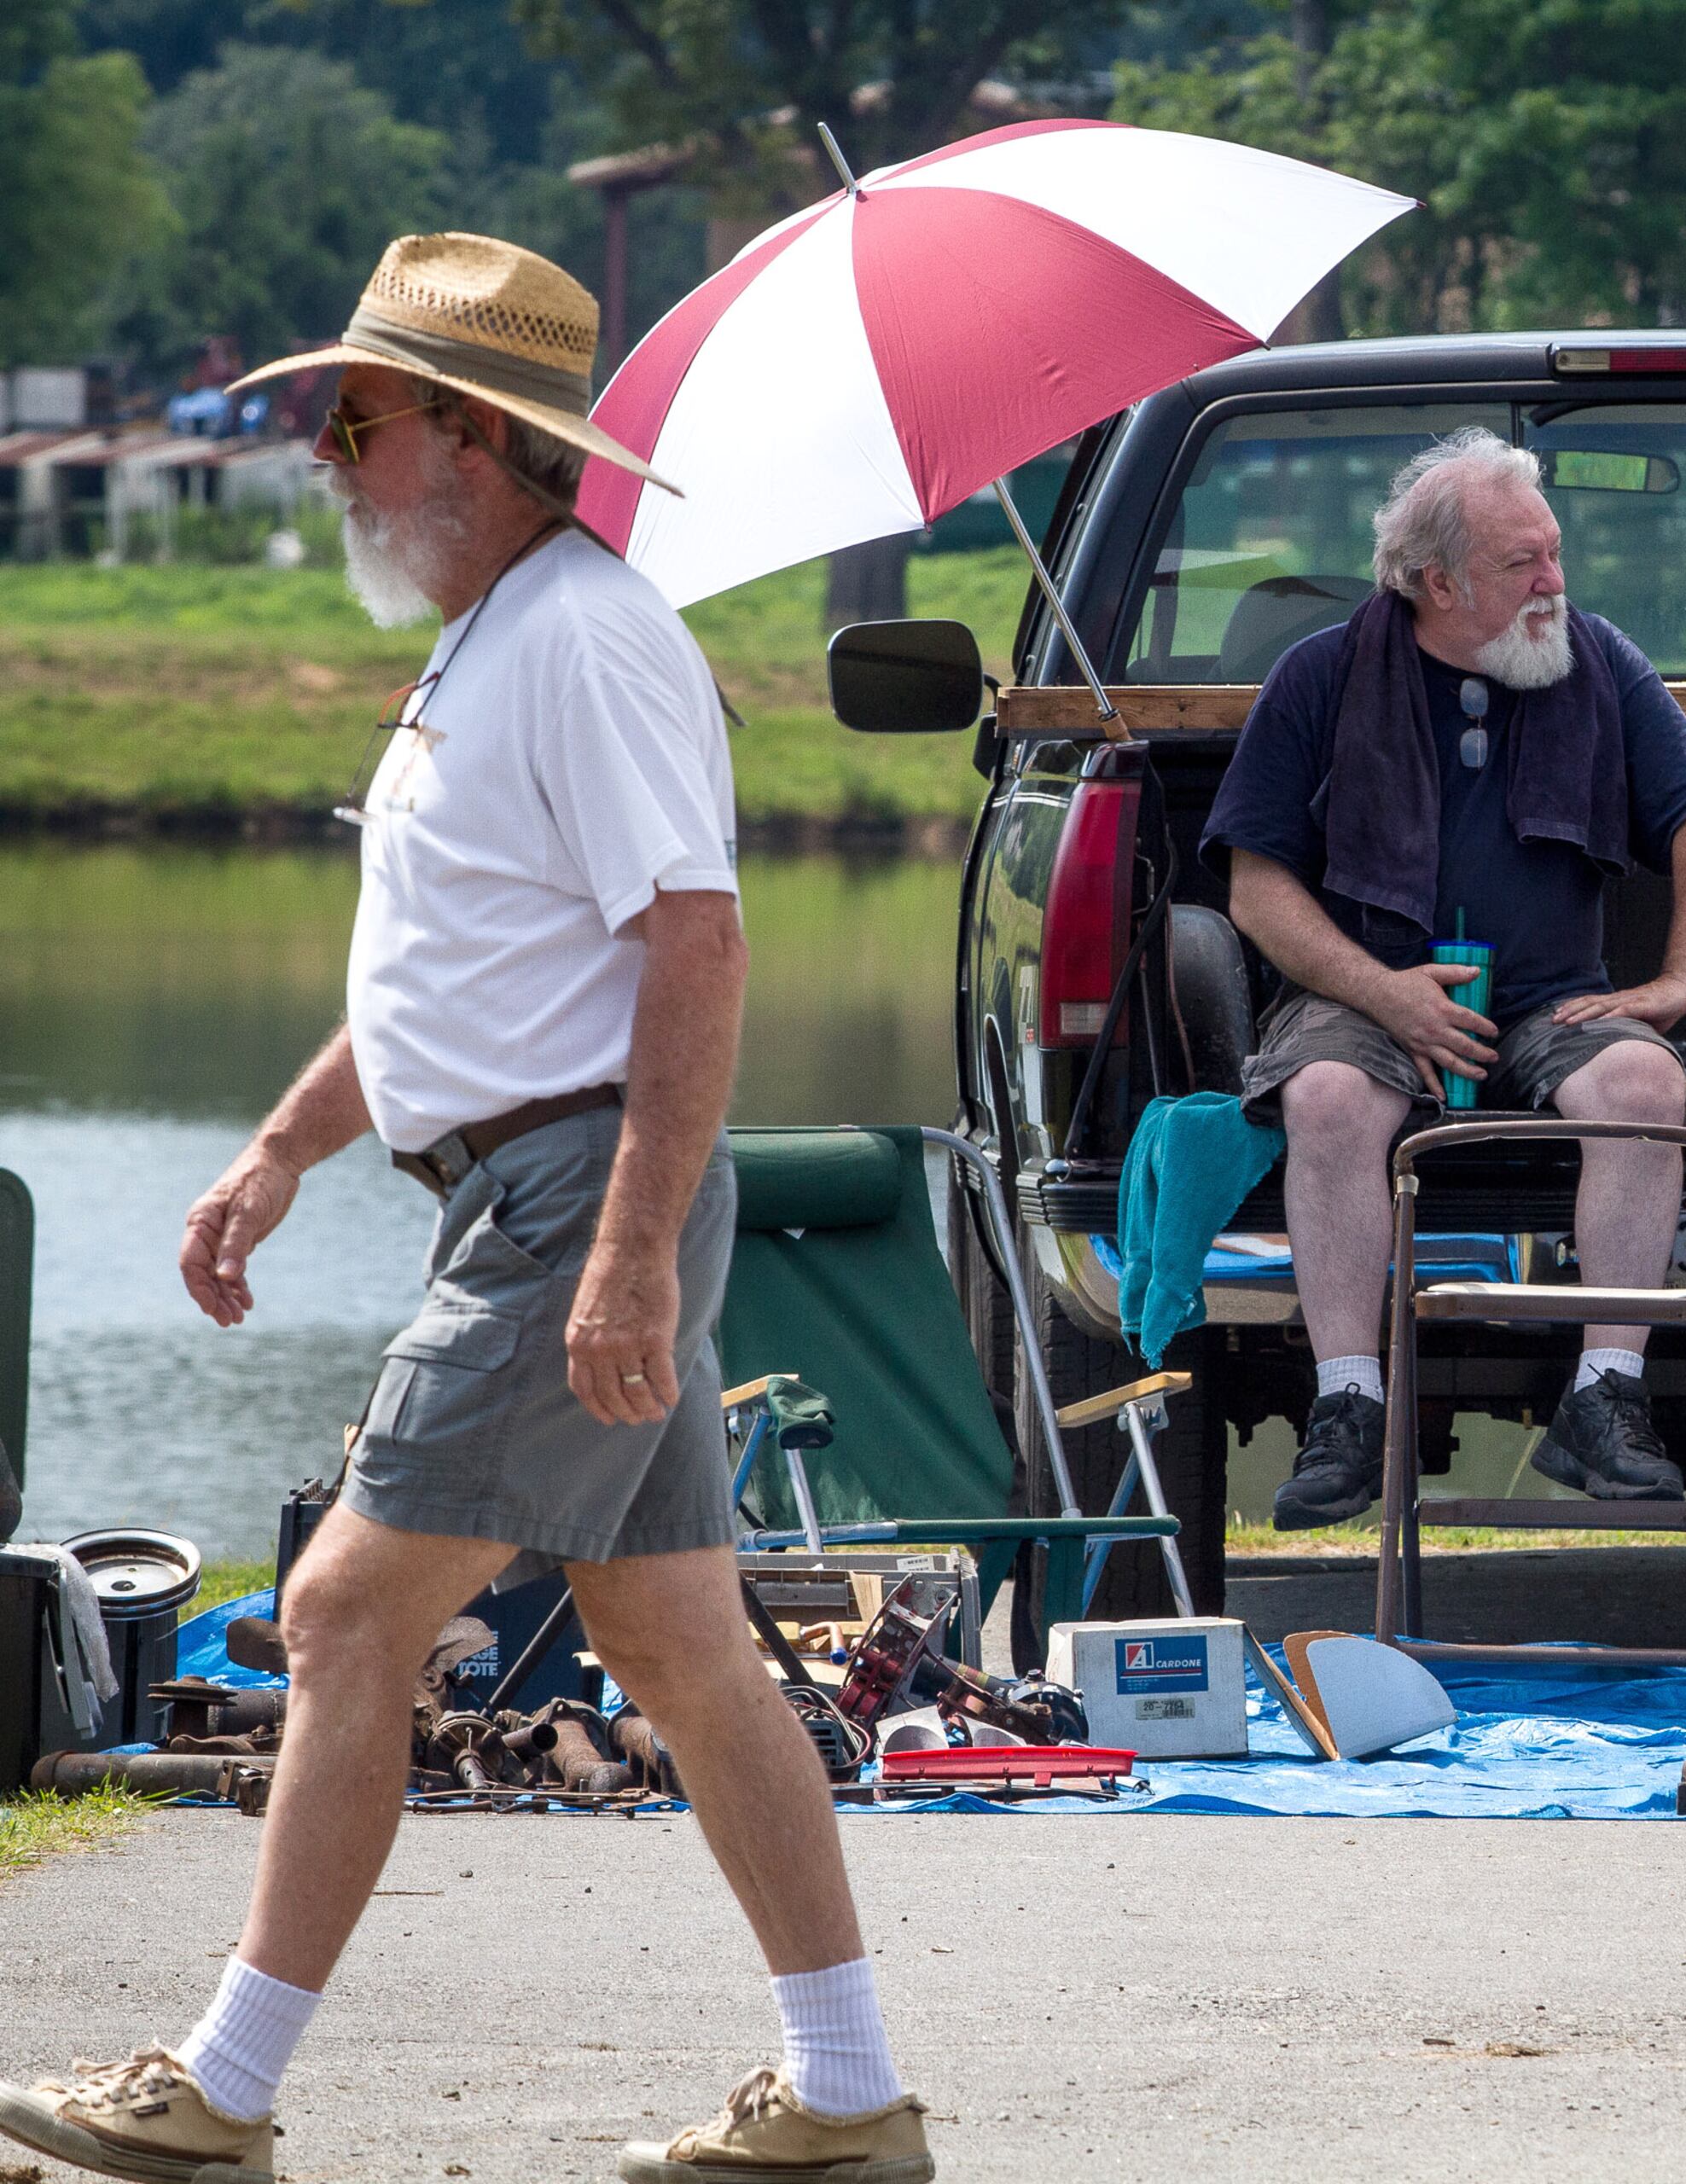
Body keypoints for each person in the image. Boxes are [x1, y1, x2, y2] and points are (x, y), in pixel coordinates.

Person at [0, 235, 933, 2184]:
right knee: (680, 1644)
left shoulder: (586, 640)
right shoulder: (487, 635)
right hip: (535, 1181)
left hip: (575, 1195)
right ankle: (847, 2091)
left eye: (359, 415)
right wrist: (278, 1150)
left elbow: (692, 950)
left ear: (476, 438)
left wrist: (618, 1251)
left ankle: (223, 2087)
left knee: (342, 1611)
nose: (326, 452)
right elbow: (461, 983)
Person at [1204, 429, 1686, 1530]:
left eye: (1555, 554)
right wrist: (1386, 992)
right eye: (1521, 565)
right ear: (1435, 582)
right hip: (1361, 994)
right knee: (1325, 1097)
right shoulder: (1319, 676)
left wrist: (1680, 982)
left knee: (1645, 1089)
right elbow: (1257, 894)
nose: (1554, 582)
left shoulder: (1599, 659)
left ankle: (1606, 1395)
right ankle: (1350, 1407)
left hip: (1556, 996)